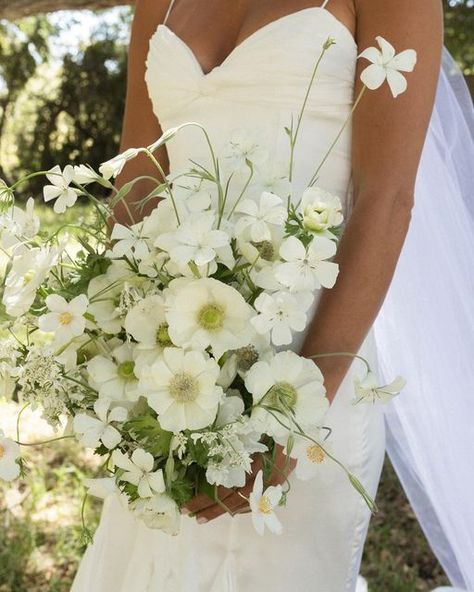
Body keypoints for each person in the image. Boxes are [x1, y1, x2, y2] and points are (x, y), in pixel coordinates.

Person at [71, 1, 455, 591]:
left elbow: (387, 199)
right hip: (170, 364)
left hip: (309, 363)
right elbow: (136, 182)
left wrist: (289, 416)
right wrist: (110, 353)